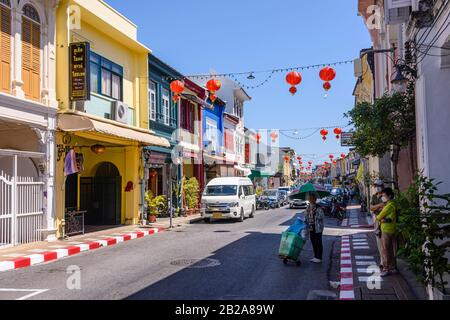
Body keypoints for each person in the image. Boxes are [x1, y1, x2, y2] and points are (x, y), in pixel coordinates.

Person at [376, 188, 398, 277]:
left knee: (384, 250)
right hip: (392, 229)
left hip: (386, 230)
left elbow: (379, 217)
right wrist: (383, 219)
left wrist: (381, 219)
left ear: (389, 196)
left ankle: (386, 269)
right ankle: (393, 267)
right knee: (391, 250)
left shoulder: (389, 206)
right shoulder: (393, 204)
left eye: (384, 196)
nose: (383, 197)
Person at [305, 193, 325, 263]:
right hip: (311, 227)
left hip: (318, 227)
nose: (310, 200)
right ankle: (315, 256)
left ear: (315, 199)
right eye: (309, 198)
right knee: (313, 241)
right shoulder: (308, 207)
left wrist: (315, 213)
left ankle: (319, 257)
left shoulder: (318, 207)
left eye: (312, 198)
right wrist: (307, 214)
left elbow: (321, 217)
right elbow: (306, 216)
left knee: (318, 242)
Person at [370, 180, 385, 269]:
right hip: (377, 219)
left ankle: (386, 261)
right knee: (379, 240)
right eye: (376, 186)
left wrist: (377, 207)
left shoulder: (385, 195)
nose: (377, 187)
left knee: (385, 241)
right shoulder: (374, 196)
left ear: (382, 186)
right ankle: (382, 260)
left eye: (378, 186)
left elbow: (385, 206)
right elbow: (371, 208)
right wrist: (380, 205)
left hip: (384, 220)